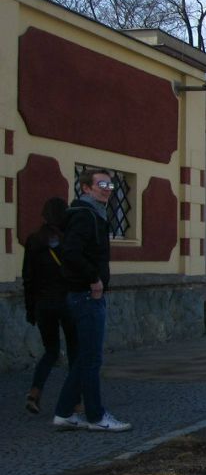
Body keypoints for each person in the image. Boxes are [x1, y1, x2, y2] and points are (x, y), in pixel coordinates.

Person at [53, 168, 131, 432]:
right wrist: (93, 279)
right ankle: (97, 417)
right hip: (86, 295)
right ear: (86, 188)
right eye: (101, 185)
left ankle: (64, 412)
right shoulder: (86, 216)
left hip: (83, 294)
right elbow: (72, 253)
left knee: (84, 357)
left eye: (110, 186)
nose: (107, 190)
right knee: (92, 358)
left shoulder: (94, 214)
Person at [22, 197, 78, 414]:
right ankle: (76, 401)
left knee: (51, 351)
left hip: (43, 304)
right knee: (75, 351)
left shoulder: (34, 240)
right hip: (67, 303)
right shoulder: (69, 241)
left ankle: (35, 392)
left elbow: (28, 279)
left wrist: (30, 309)